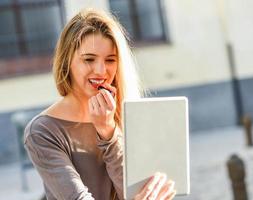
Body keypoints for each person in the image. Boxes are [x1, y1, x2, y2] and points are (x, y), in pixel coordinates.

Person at [24, 8, 176, 200]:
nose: (101, 70)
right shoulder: (42, 131)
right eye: (89, 59)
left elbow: (134, 192)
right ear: (67, 62)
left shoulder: (127, 113)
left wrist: (108, 131)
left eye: (110, 60)